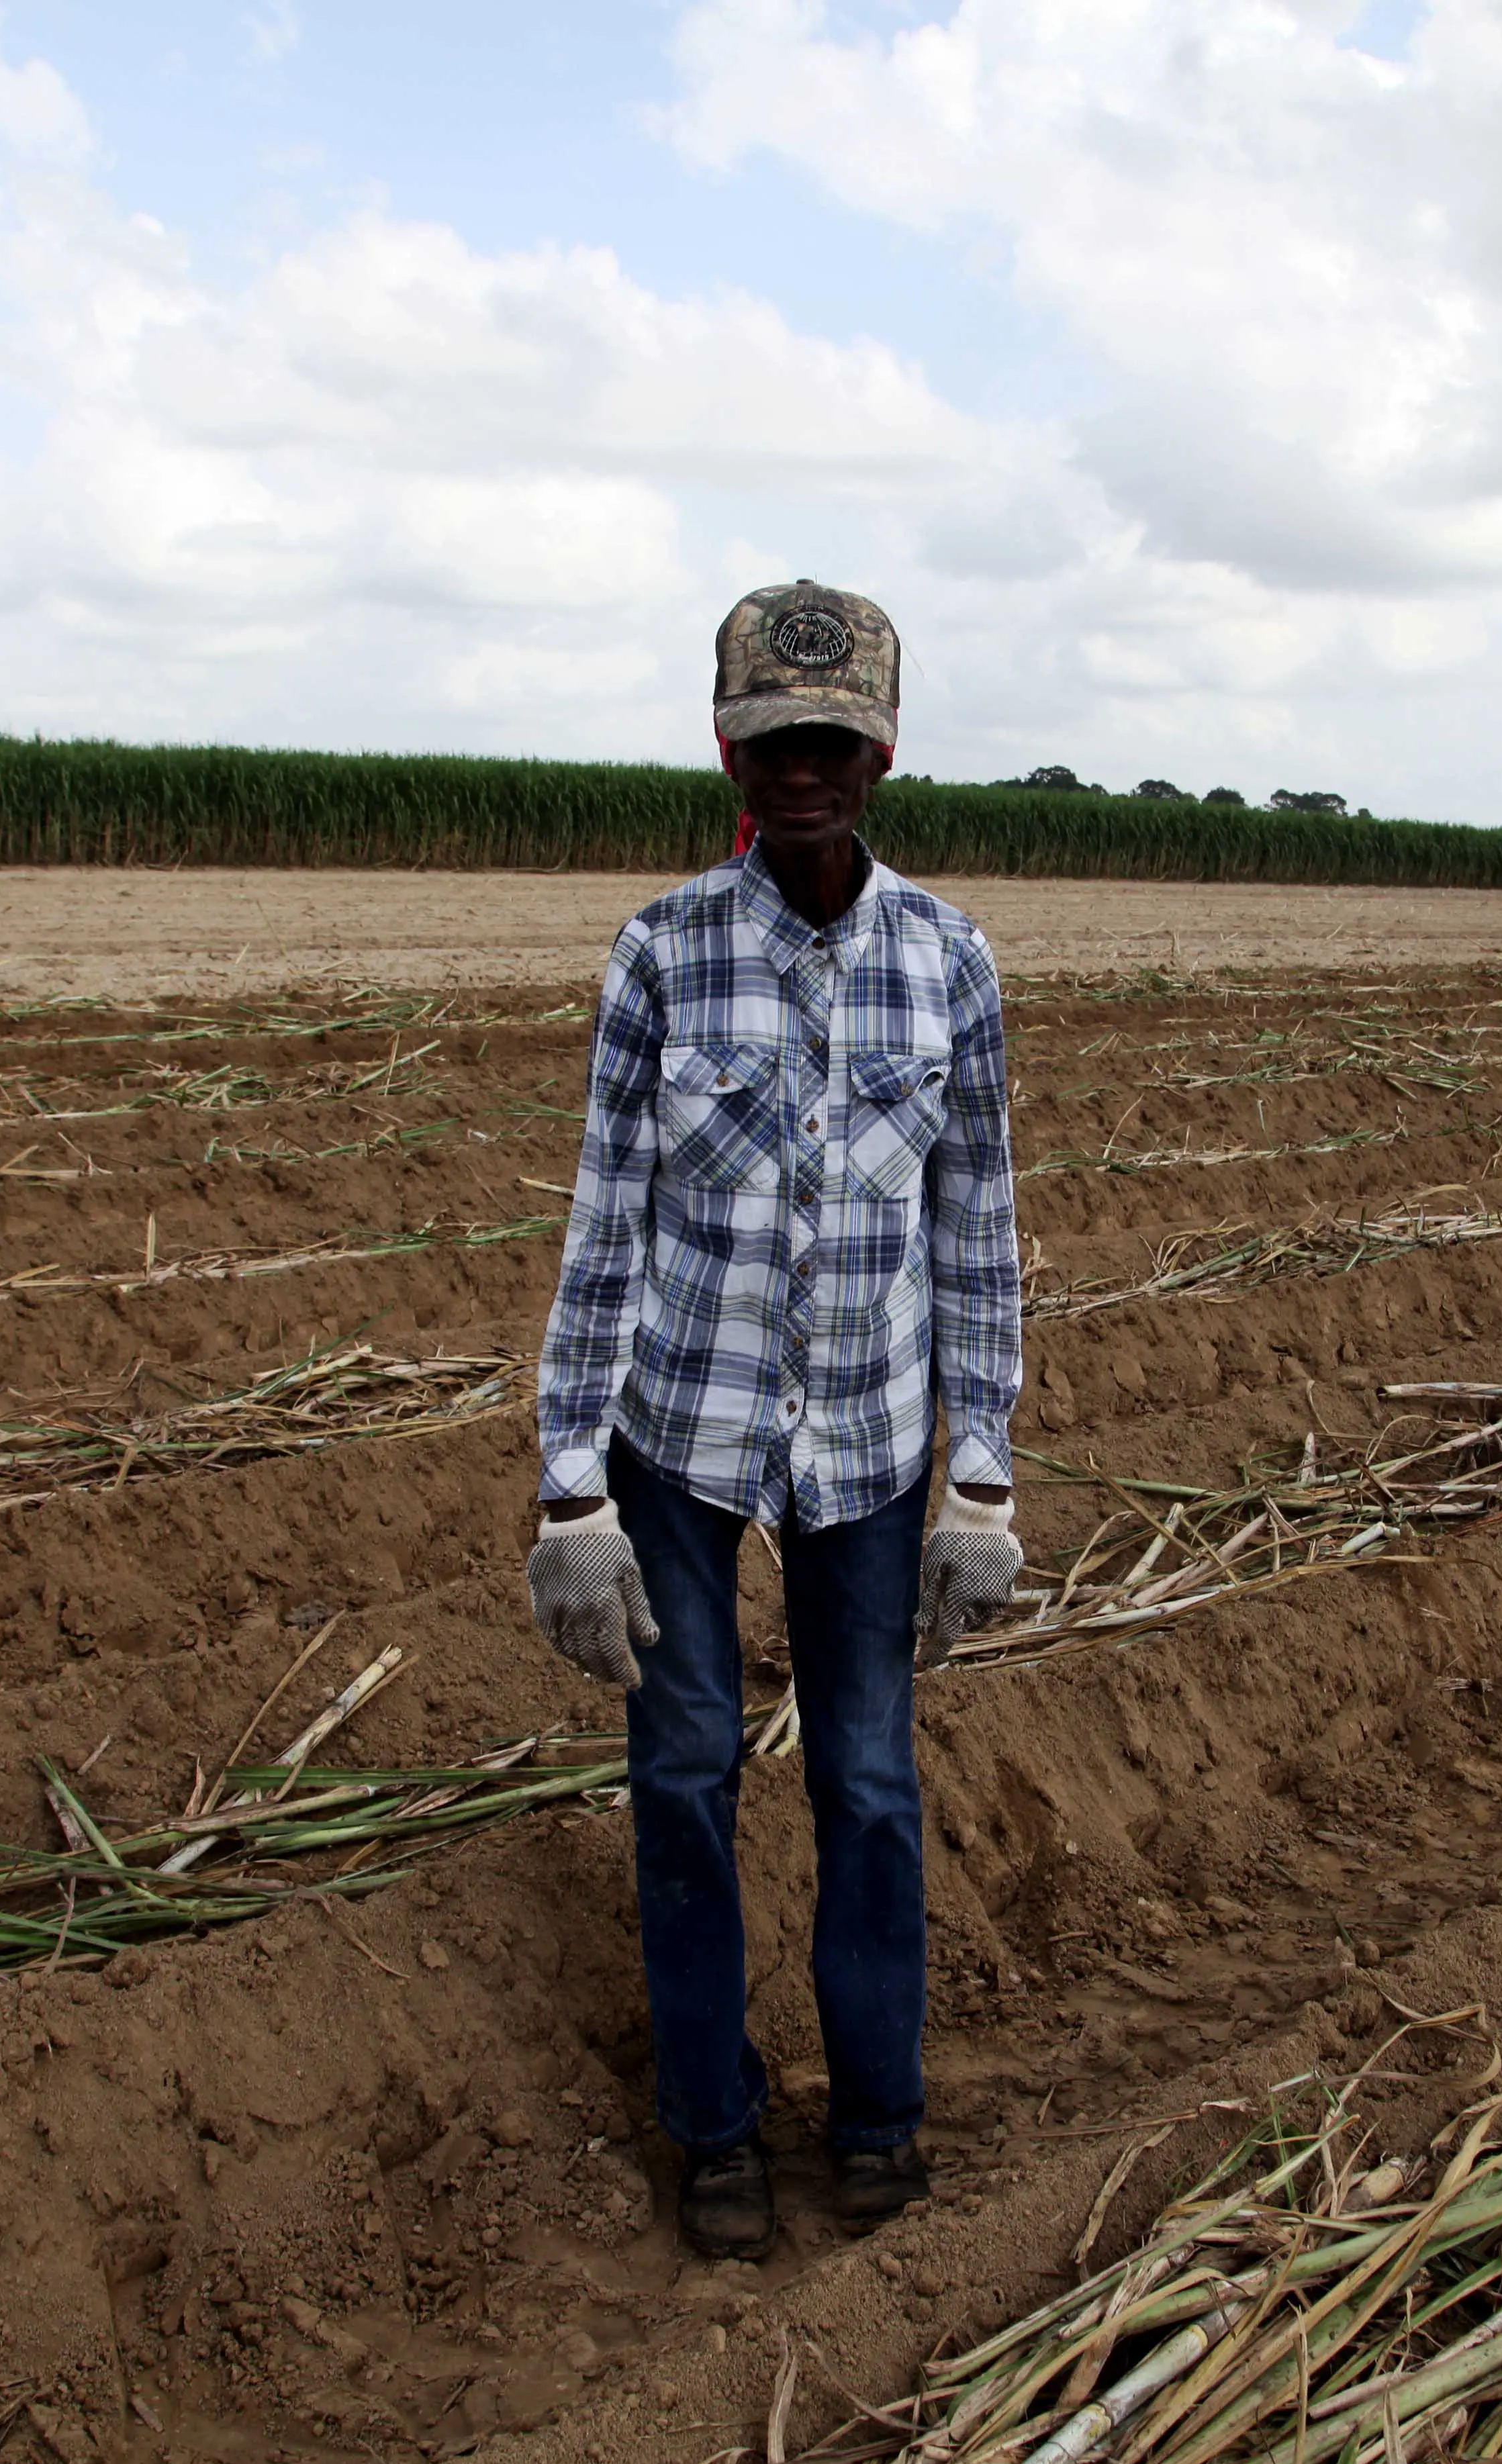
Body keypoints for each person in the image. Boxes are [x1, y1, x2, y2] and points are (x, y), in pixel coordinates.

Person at [524, 580, 1025, 2261]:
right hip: (685, 1432)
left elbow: (975, 1227)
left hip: (874, 1449)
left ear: (881, 747)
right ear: (725, 744)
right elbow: (604, 1222)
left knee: (869, 1783)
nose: (799, 766)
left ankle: (879, 2110)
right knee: (681, 1773)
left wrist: (983, 1474)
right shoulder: (663, 952)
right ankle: (714, 2124)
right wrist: (568, 1491)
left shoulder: (947, 959)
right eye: (768, 737)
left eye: (829, 737)